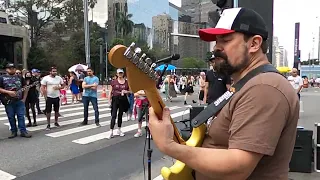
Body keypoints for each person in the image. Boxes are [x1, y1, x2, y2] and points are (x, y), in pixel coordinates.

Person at [148, 7, 299, 180]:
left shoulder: (265, 88)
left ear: (254, 44)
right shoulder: (247, 84)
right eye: (216, 41)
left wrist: (170, 146)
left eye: (225, 40)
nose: (216, 49)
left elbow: (238, 166)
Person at [0, 63, 32, 138]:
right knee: (11, 117)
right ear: (6, 69)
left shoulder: (20, 77)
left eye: (13, 68)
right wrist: (8, 92)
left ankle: (23, 131)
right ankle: (13, 131)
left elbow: (25, 88)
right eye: (10, 68)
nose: (12, 69)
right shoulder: (2, 78)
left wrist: (24, 99)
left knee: (21, 116)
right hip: (8, 101)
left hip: (19, 100)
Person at [107, 68, 130, 139]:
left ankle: (119, 129)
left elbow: (130, 91)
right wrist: (109, 100)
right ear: (117, 74)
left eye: (121, 73)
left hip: (123, 100)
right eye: (119, 73)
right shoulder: (114, 82)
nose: (120, 74)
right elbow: (110, 92)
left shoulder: (126, 82)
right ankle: (111, 131)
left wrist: (126, 92)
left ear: (123, 74)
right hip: (115, 99)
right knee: (113, 115)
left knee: (120, 115)